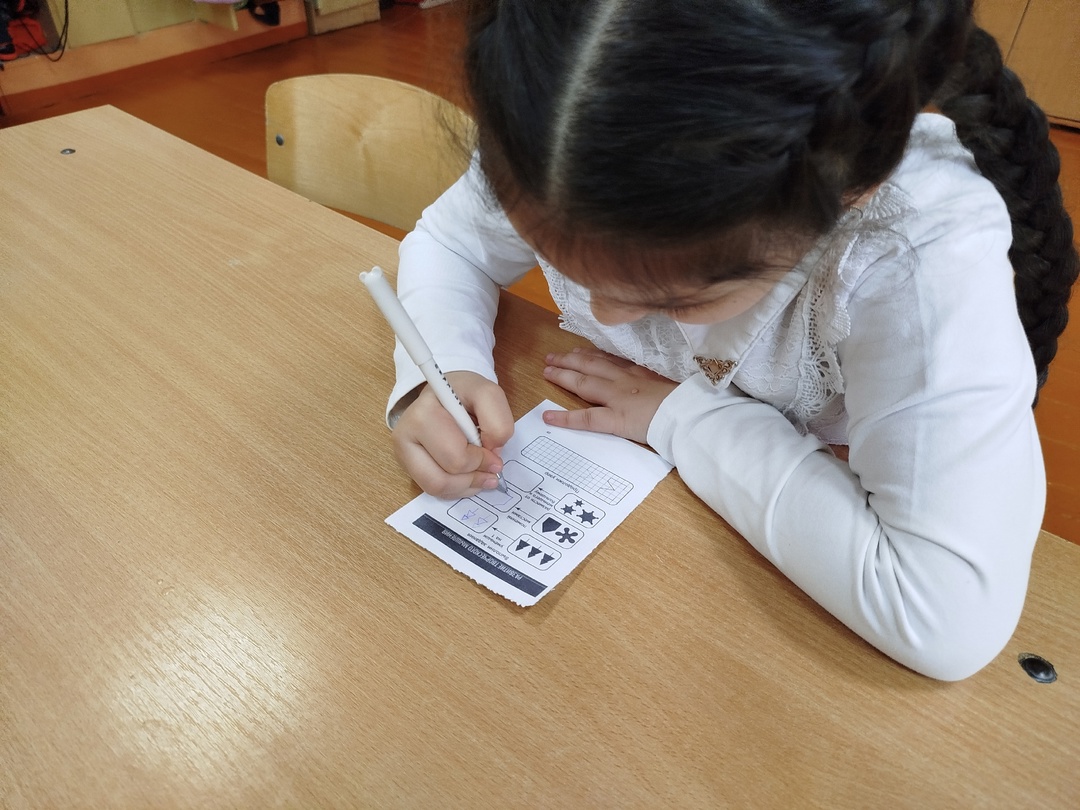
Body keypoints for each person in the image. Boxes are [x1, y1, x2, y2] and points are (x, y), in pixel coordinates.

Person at [381, 0, 1078, 681]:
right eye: (557, 259)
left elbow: (944, 616)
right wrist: (441, 365)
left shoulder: (913, 253)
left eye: (676, 299)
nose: (606, 316)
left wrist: (681, 415)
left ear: (849, 192)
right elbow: (451, 242)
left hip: (809, 502)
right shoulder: (560, 128)